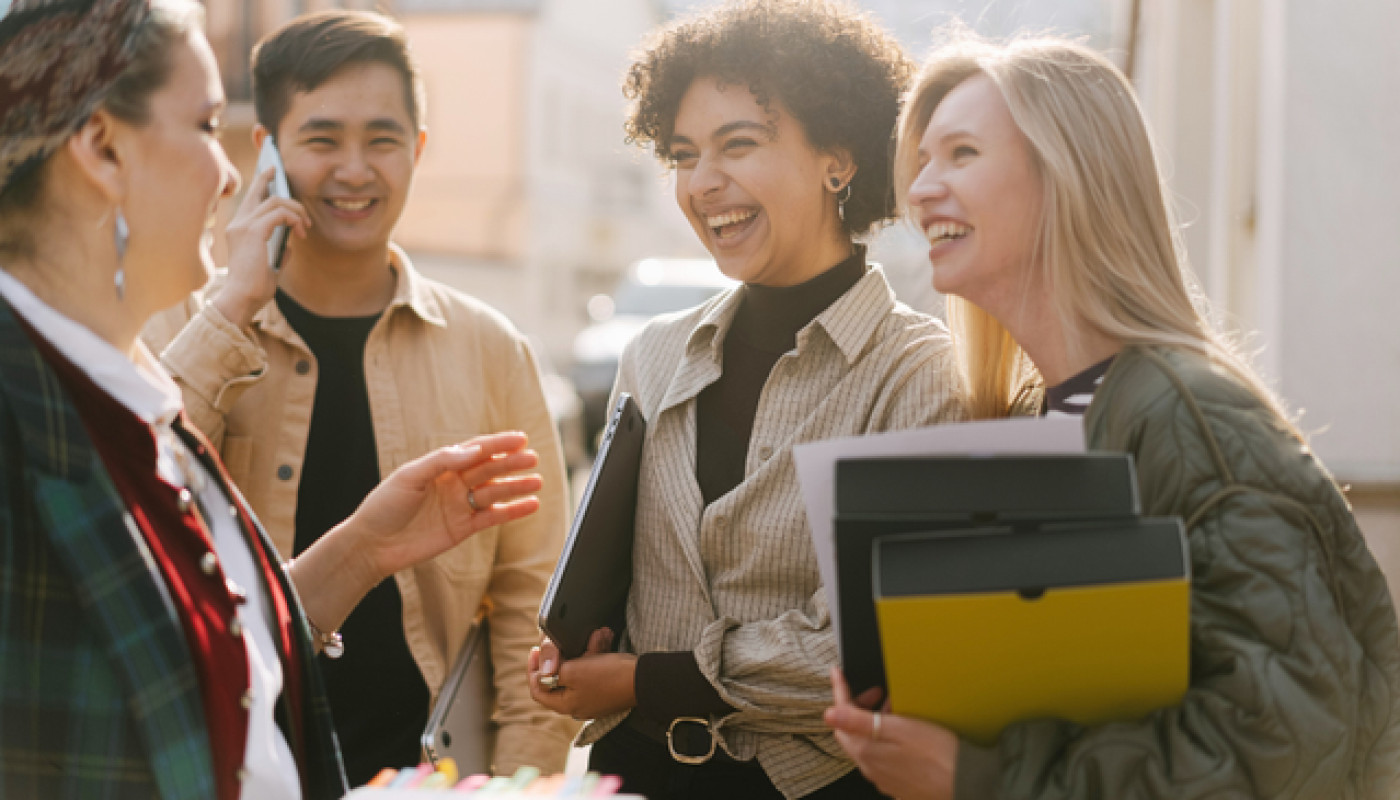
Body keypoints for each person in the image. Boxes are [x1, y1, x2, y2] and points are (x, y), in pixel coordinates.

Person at [824, 33, 1400, 799]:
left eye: (961, 153)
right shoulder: (1036, 418)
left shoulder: (1198, 423)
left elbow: (1286, 749)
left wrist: (984, 779)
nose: (921, 191)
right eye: (922, 162)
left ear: (1070, 176)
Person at [0, 1, 545, 797]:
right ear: (102, 150)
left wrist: (362, 549)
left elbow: (206, 638)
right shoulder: (49, 411)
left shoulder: (129, 395)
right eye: (205, 123)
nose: (228, 175)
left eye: (382, 139)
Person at [526, 2, 963, 797]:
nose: (702, 184)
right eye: (685, 154)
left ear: (839, 157)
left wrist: (640, 680)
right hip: (637, 778)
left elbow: (862, 650)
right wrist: (575, 649)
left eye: (739, 145)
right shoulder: (652, 356)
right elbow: (627, 581)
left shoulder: (918, 372)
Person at [143, 10, 576, 782]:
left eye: (381, 138)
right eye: (321, 139)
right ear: (266, 152)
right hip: (229, 765)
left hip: (424, 778)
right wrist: (235, 304)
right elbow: (134, 499)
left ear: (418, 148)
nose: (354, 169)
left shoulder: (490, 349)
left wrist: (523, 787)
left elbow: (533, 609)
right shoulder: (183, 321)